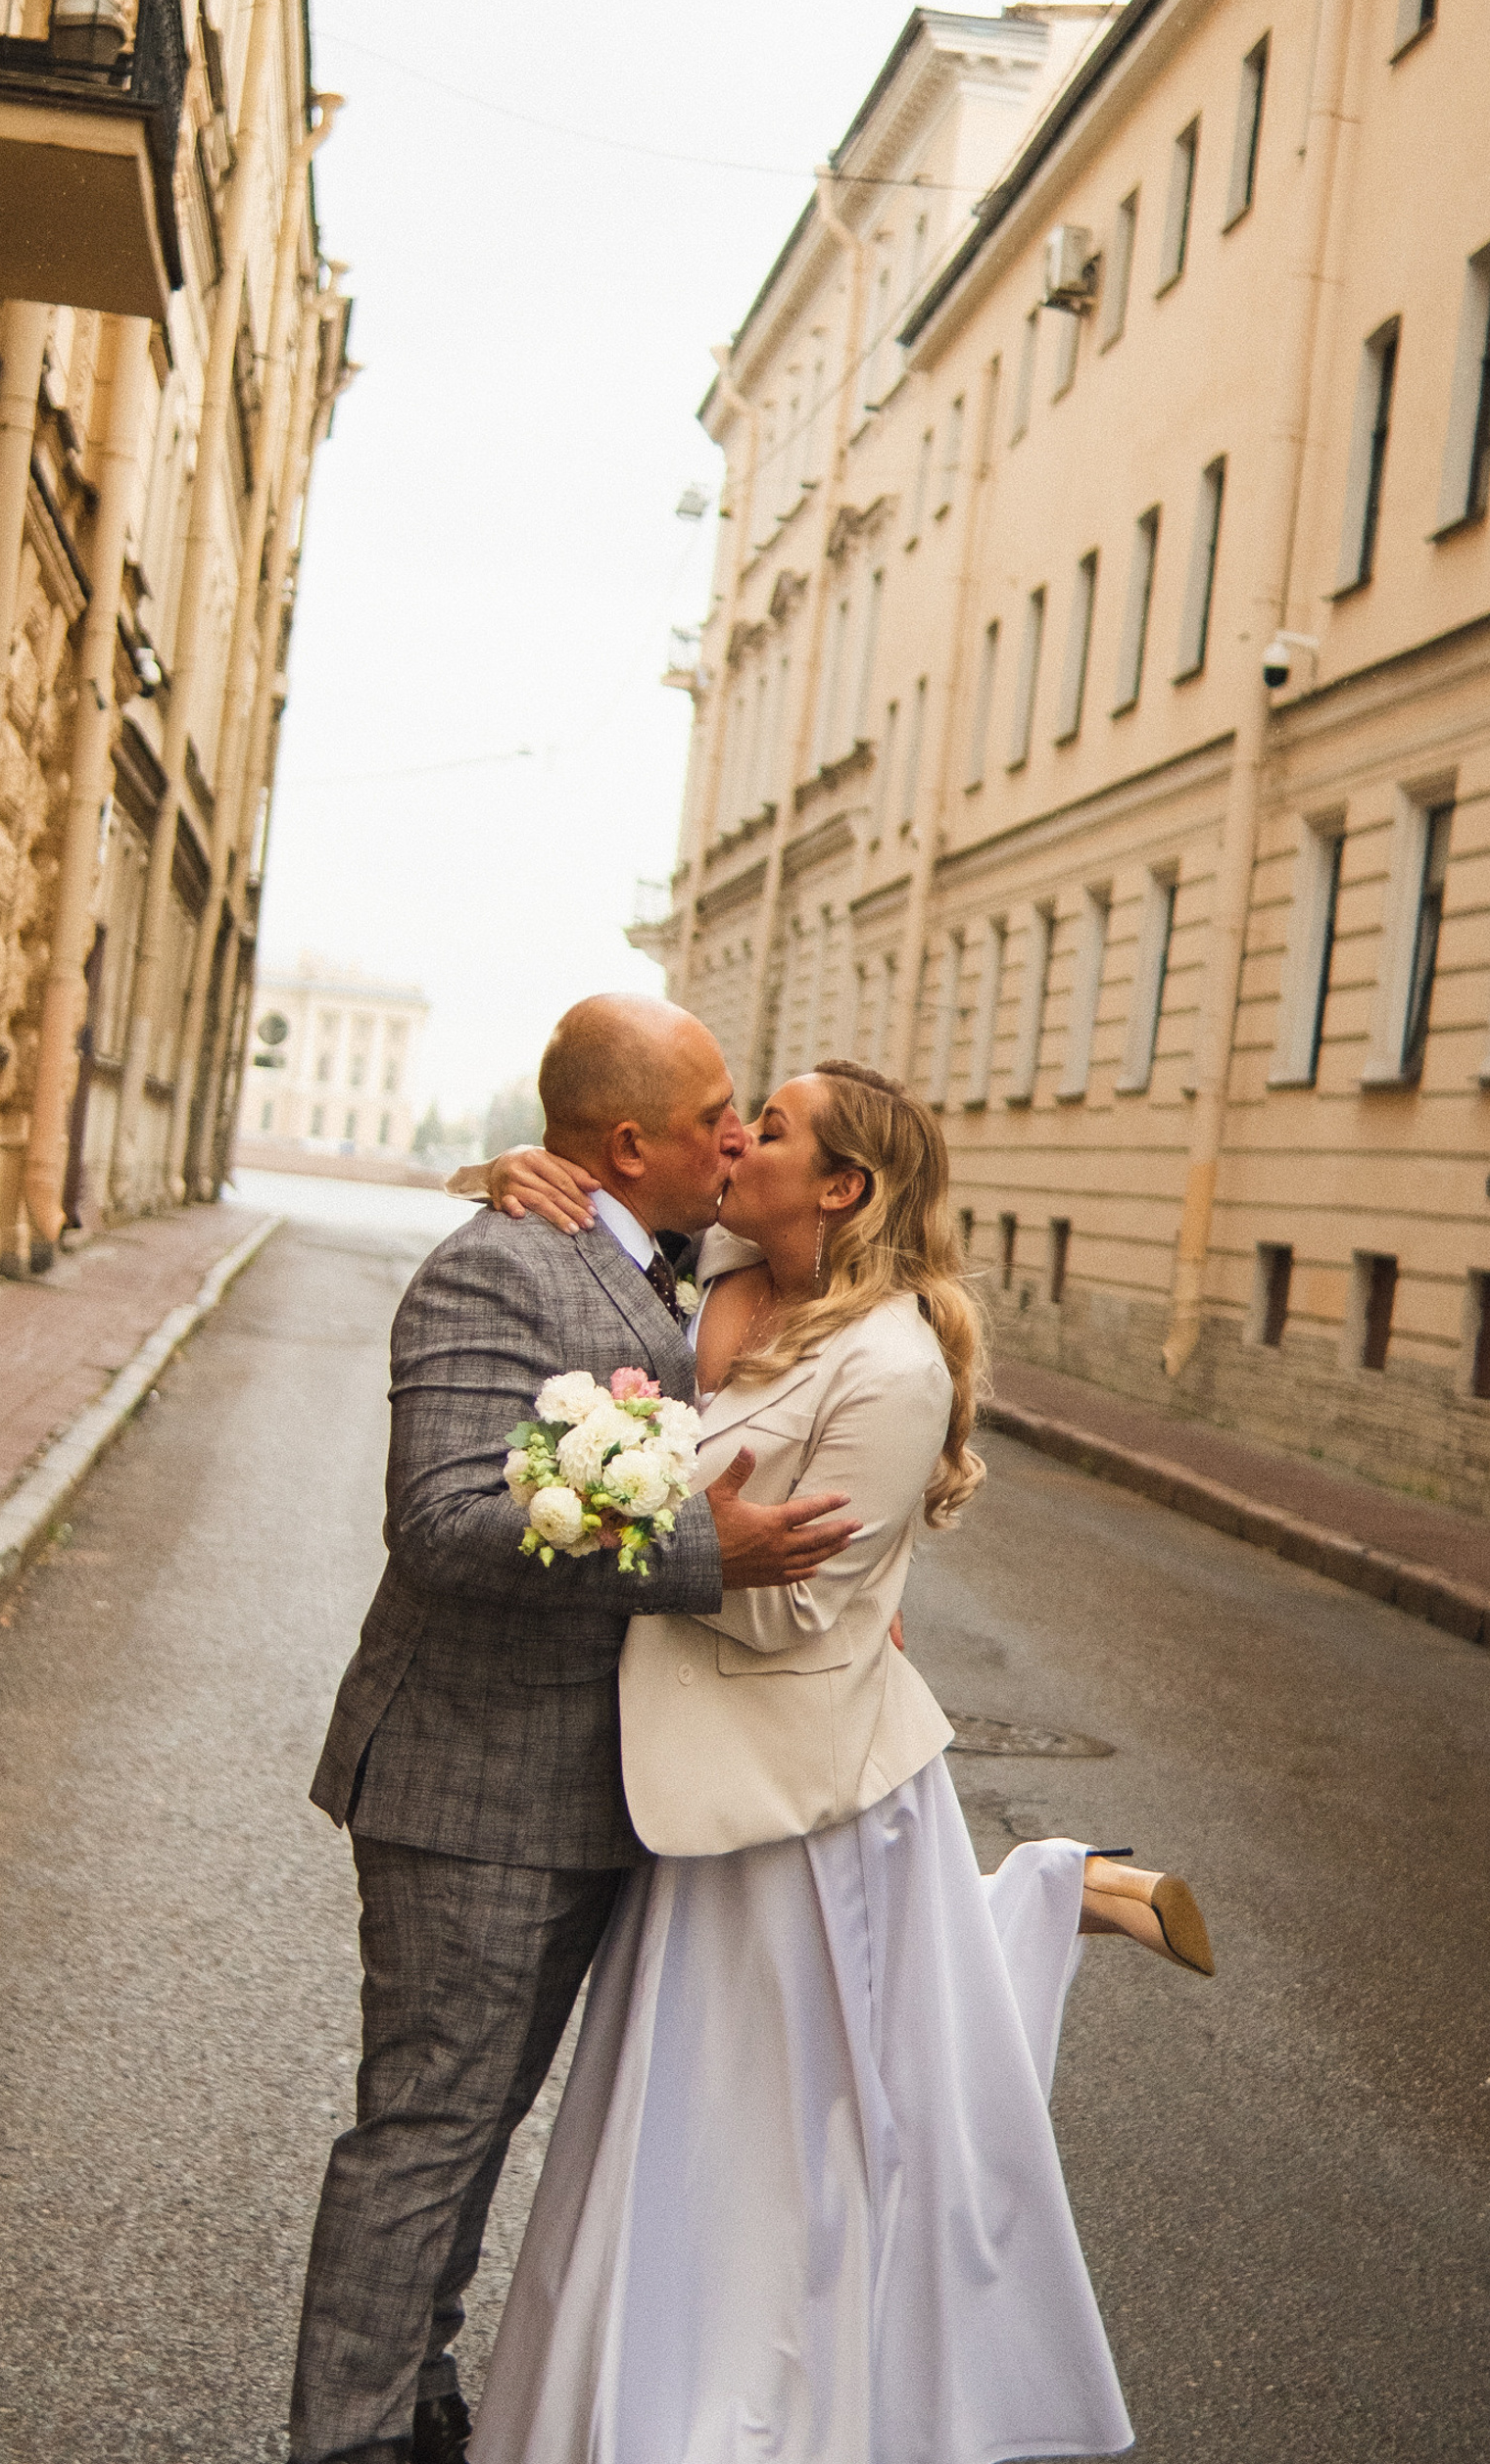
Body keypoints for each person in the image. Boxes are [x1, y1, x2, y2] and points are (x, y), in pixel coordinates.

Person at [465, 1060, 1211, 2464]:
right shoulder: (716, 1281)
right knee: (679, 2125)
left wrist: (619, 1520)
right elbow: (603, 1217)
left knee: (804, 2143)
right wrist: (511, 1169)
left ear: (842, 1187)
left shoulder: (893, 1364)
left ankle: (750, 2424)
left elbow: (796, 1610)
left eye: (772, 1129)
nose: (736, 1140)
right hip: (691, 1783)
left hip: (801, 1799)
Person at [292, 995, 864, 2464]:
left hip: (589, 1790)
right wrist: (700, 1552)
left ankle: (418, 2388)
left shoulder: (669, 1260)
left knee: (475, 2122)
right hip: (470, 1784)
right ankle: (348, 2439)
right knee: (427, 2129)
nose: (735, 1139)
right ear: (626, 1145)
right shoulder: (498, 1264)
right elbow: (444, 1520)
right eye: (713, 1117)